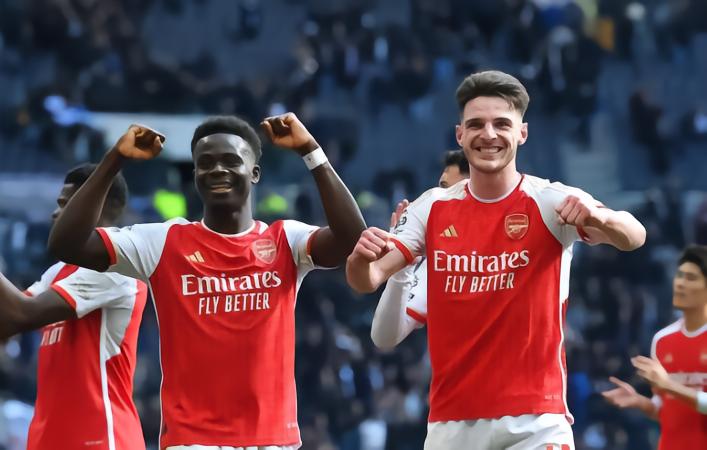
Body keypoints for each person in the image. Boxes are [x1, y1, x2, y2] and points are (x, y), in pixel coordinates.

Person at [346, 70, 646, 449]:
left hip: (535, 422)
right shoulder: (432, 208)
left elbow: (634, 236)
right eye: (476, 125)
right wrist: (359, 259)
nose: (488, 134)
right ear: (460, 135)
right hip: (451, 425)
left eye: (501, 124)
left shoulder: (549, 201)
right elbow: (368, 279)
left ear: (522, 133)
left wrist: (600, 218)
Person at [48, 113, 366, 449]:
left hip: (273, 440)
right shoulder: (163, 241)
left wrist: (311, 150)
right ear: (196, 175)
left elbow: (351, 239)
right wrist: (115, 160)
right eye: (205, 163)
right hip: (194, 441)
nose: (216, 169)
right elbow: (67, 244)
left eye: (230, 160)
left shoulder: (286, 240)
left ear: (254, 173)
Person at [0, 164, 147, 450]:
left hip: (99, 438)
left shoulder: (116, 265)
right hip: (49, 439)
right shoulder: (58, 271)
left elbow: (22, 315)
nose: (55, 214)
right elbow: (7, 321)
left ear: (94, 204)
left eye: (65, 204)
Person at [602, 245, 707, 449]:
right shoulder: (662, 339)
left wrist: (668, 384)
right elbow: (664, 409)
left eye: (691, 278)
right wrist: (640, 402)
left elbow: (670, 388)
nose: (680, 284)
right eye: (680, 276)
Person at [372, 150, 469, 349]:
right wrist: (402, 267)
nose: (440, 199)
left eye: (452, 190)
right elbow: (384, 338)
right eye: (442, 188)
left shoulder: (520, 245)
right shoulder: (439, 265)